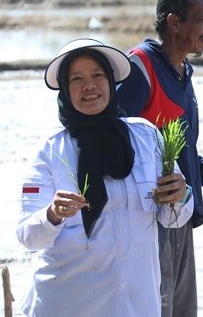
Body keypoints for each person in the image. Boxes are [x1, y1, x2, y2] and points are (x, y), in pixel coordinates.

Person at [17, 38, 193, 317]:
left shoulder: (146, 136)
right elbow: (27, 236)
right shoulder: (51, 150)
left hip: (135, 303)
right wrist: (52, 214)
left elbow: (176, 216)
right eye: (77, 78)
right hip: (66, 302)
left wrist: (180, 195)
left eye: (98, 75)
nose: (89, 85)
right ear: (64, 89)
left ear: (111, 83)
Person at [116, 0, 203, 317]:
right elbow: (115, 142)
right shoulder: (139, 68)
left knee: (181, 310)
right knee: (157, 308)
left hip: (180, 214)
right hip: (148, 218)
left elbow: (181, 153)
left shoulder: (183, 72)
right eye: (202, 20)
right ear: (174, 22)